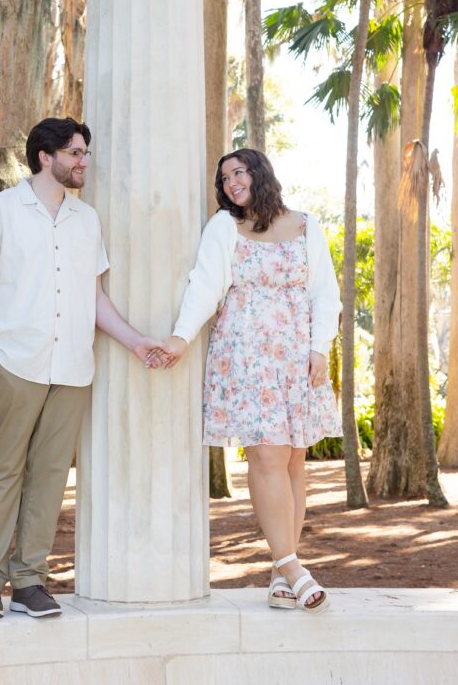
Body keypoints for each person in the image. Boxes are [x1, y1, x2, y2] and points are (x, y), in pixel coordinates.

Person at [0, 116, 165, 619]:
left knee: (50, 476)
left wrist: (136, 342)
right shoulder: (0, 211)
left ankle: (29, 581)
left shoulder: (86, 220)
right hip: (16, 362)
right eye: (75, 153)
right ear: (44, 157)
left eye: (85, 154)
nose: (83, 162)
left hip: (72, 367)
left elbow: (95, 298)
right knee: (3, 471)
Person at [159, 149, 342, 612]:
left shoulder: (306, 224)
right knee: (266, 455)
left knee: (295, 460)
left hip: (297, 356)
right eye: (224, 179)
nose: (231, 183)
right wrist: (182, 337)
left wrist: (320, 347)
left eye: (238, 172)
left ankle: (281, 574)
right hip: (247, 354)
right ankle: (294, 568)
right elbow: (205, 284)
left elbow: (326, 293)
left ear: (259, 173)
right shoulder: (225, 227)